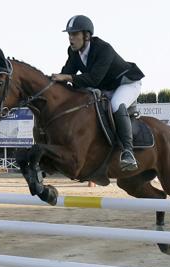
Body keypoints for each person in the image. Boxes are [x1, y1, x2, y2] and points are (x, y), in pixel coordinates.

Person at [51, 15, 144, 172]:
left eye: (74, 34)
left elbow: (93, 79)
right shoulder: (73, 52)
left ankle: (128, 152)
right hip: (106, 87)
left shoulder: (103, 49)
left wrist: (67, 77)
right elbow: (66, 73)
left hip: (127, 83)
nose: (70, 39)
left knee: (116, 105)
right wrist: (49, 83)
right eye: (69, 35)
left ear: (86, 36)